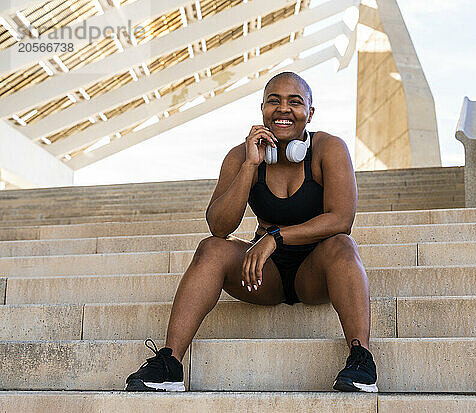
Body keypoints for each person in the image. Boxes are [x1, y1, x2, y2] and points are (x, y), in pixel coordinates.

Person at [125, 72, 378, 393]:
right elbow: (219, 227)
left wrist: (274, 237)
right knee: (210, 248)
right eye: (274, 101)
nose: (283, 109)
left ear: (310, 113)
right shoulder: (240, 156)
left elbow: (341, 219)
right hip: (263, 276)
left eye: (295, 102)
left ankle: (360, 359)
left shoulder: (329, 148)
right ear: (262, 109)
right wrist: (249, 165)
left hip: (317, 273)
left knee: (343, 244)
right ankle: (170, 365)